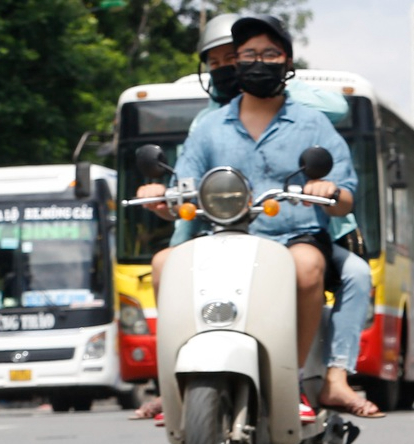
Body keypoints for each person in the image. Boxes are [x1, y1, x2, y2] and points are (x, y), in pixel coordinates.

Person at [145, 14, 379, 418]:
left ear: (288, 64)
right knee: (163, 262)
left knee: (307, 268)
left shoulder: (313, 123)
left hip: (294, 238)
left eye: (269, 54)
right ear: (236, 63)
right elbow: (181, 190)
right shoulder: (209, 128)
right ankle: (175, 381)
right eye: (248, 54)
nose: (258, 62)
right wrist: (159, 198)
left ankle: (297, 382)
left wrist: (326, 190)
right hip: (222, 239)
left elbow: (345, 196)